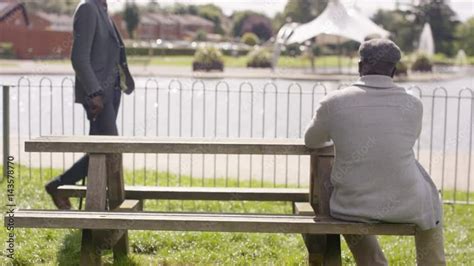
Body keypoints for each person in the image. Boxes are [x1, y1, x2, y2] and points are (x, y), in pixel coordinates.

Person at [304, 38, 445, 265]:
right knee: (432, 208)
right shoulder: (413, 104)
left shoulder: (333, 102)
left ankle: (373, 263)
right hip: (408, 205)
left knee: (350, 213)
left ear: (360, 66)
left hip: (352, 205)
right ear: (394, 70)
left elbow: (311, 141)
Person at [45, 0, 134, 209]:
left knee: (102, 150)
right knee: (109, 149)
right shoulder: (87, 8)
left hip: (111, 92)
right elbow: (79, 57)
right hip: (98, 96)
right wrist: (94, 92)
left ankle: (95, 203)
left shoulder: (102, 9)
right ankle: (60, 186)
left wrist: (125, 79)